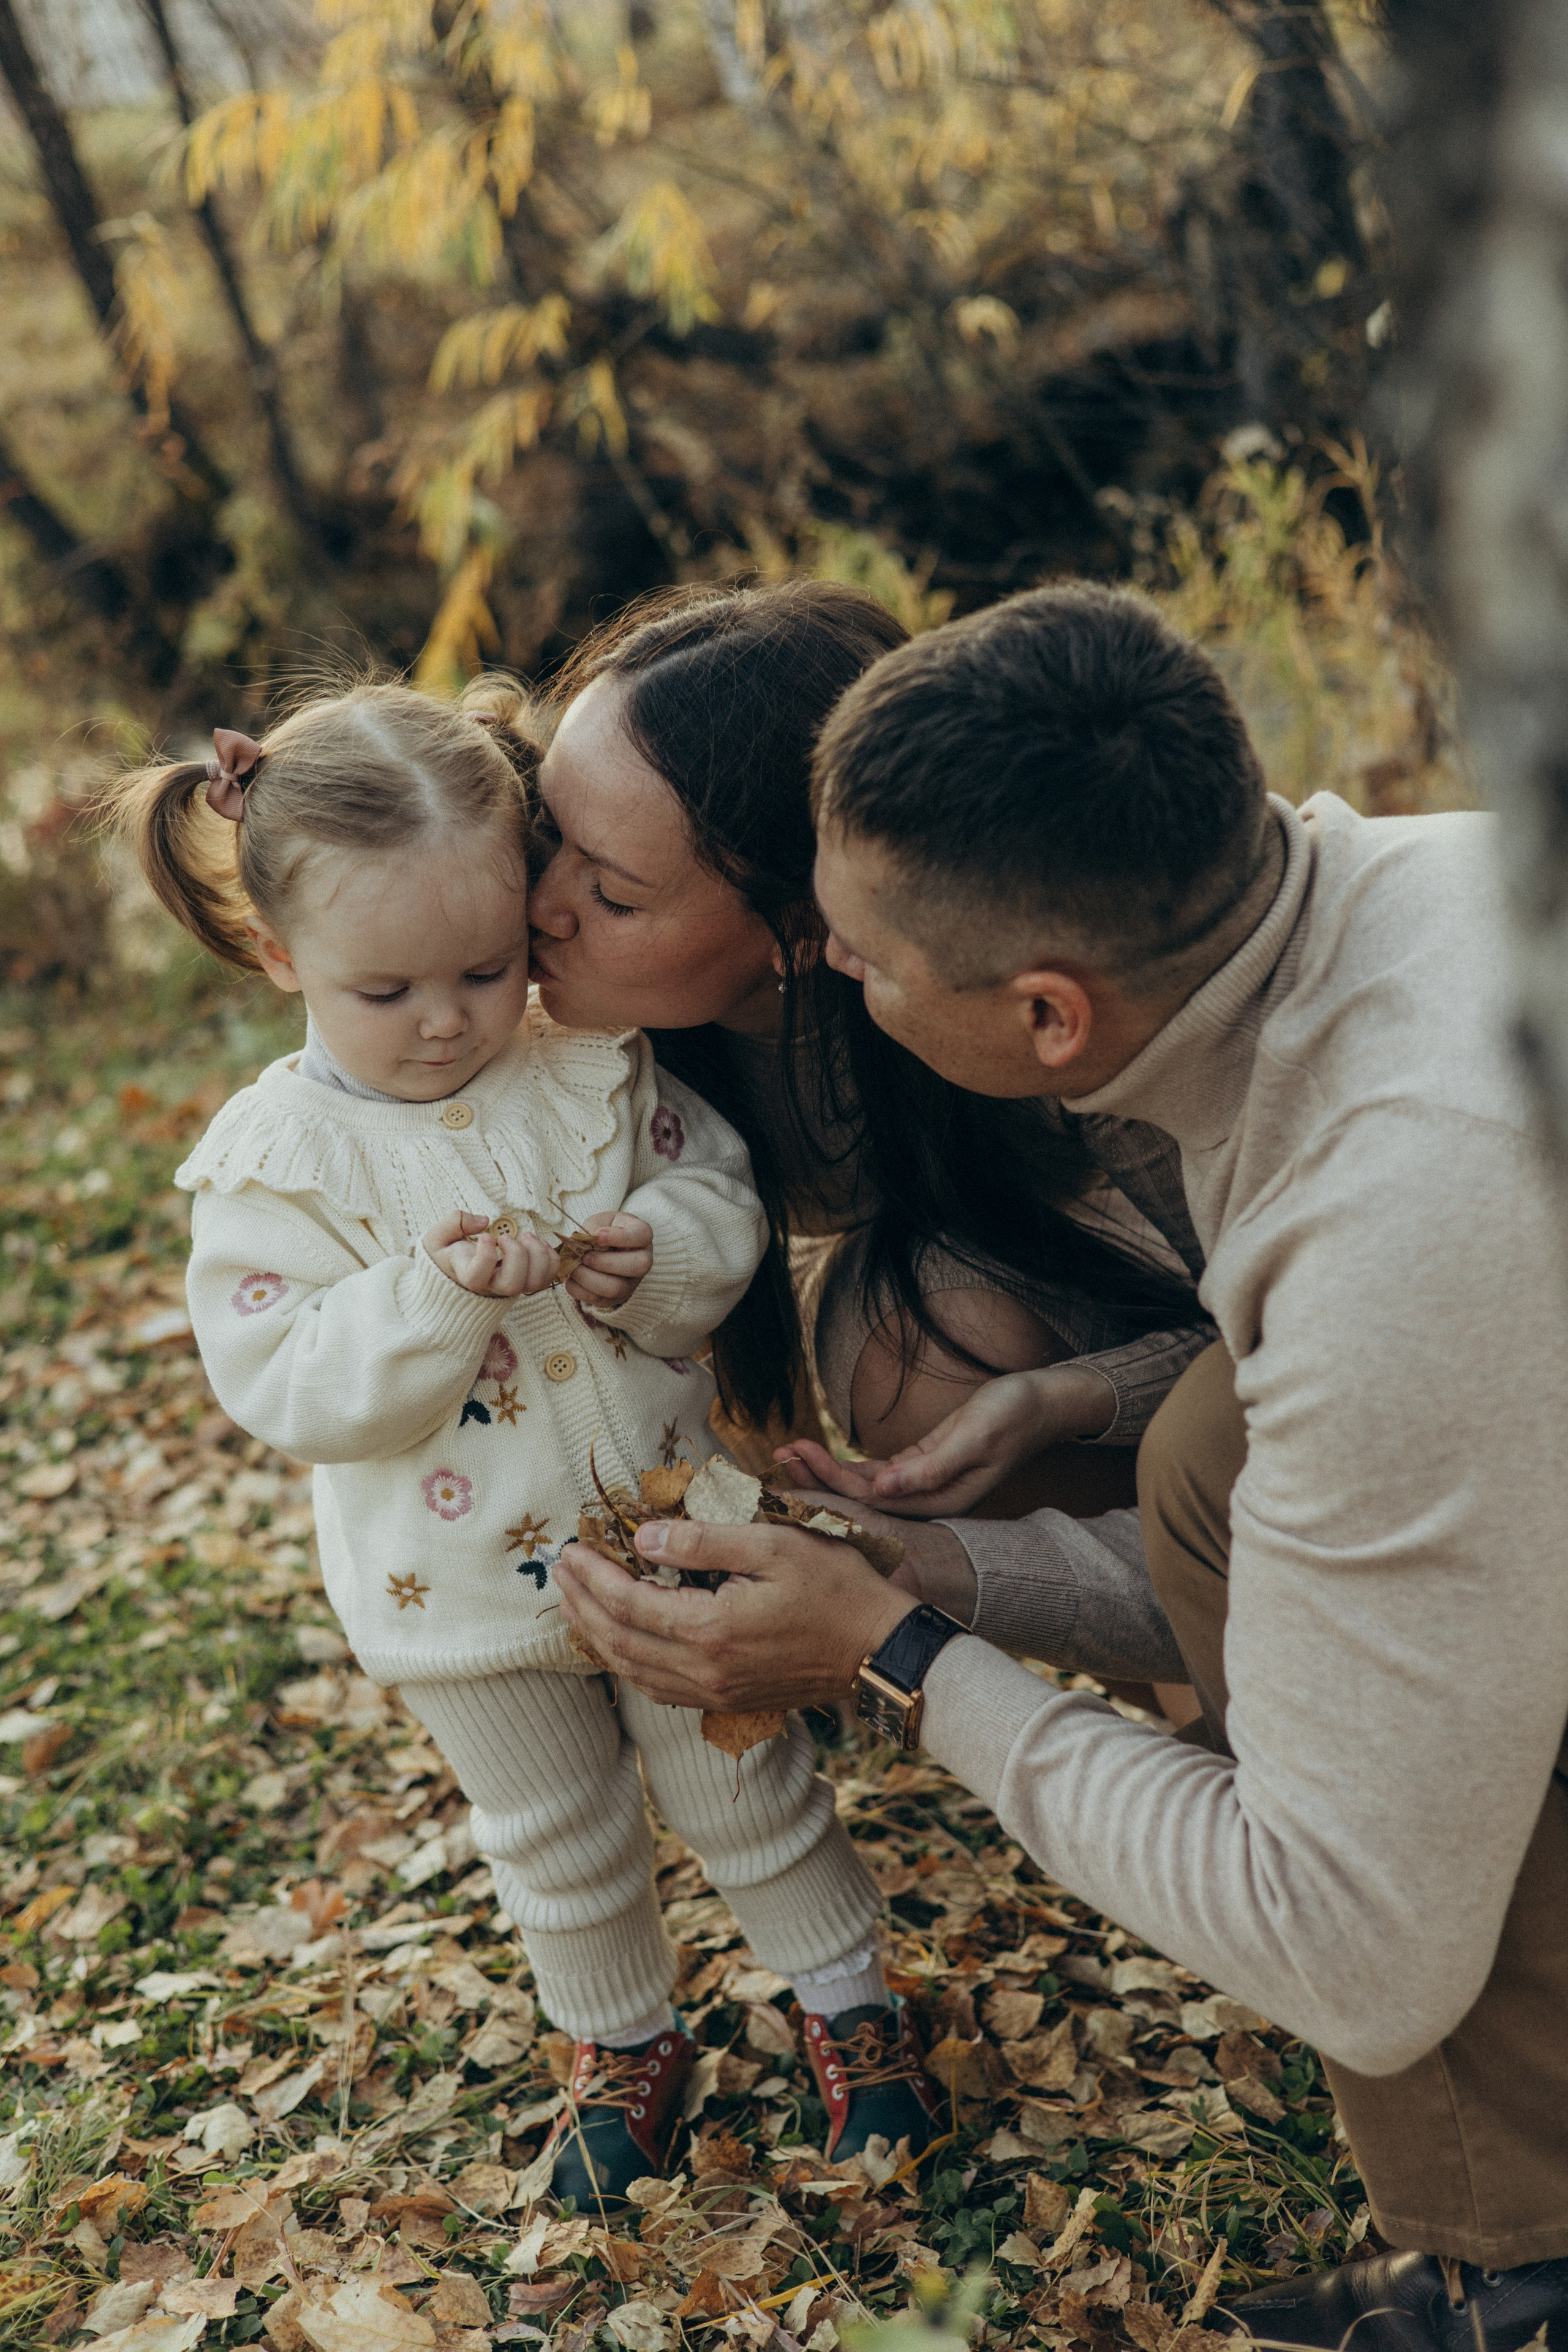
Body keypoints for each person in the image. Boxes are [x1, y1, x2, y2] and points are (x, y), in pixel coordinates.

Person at [555, 583, 1568, 2348]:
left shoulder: (1396, 1217)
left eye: (864, 959)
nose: (843, 982)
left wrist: (893, 1660)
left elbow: (1348, 1948)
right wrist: (931, 1577)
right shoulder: (1415, 890)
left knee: (1272, 1555)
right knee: (1201, 1457)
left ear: (1047, 1023)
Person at [105, 677, 931, 2202]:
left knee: (744, 1785)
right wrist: (427, 1299)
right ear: (284, 957)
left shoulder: (587, 1064)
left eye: (484, 970)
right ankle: (619, 2044)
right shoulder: (275, 1164)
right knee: (554, 1832)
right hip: (464, 1597)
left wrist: (657, 1252)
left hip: (670, 1530)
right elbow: (281, 1379)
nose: (444, 1023)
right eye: (387, 992)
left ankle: (849, 2004)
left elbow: (720, 1195)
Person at [530, 583, 1210, 1659]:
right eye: (543, 837)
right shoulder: (562, 1034)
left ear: (806, 931)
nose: (542, 907)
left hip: (1200, 1365)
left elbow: (1281, 1334)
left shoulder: (1008, 1017)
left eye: (611, 895)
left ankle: (1197, 1676)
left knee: (917, 1352)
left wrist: (1072, 1398)